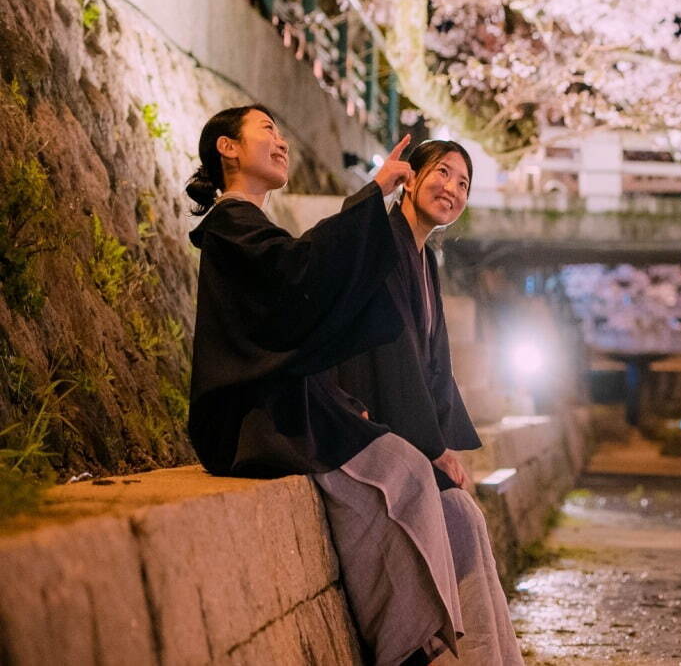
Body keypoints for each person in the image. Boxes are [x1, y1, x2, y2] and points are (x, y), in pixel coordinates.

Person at [184, 106, 483, 666]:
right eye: (267, 130)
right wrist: (370, 194)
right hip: (255, 418)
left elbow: (307, 304)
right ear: (228, 148)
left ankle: (446, 645)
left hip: (287, 403)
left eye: (464, 181)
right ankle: (415, 647)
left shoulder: (253, 227)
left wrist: (347, 404)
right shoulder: (231, 225)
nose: (282, 141)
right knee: (407, 472)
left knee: (428, 487)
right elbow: (303, 281)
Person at [336, 140, 524, 666]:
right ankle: (453, 652)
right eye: (442, 173)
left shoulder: (425, 261)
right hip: (366, 420)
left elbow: (434, 368)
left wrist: (442, 440)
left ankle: (491, 655)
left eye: (464, 183)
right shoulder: (382, 241)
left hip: (405, 426)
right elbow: (394, 357)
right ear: (410, 180)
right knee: (455, 516)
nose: (453, 189)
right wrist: (435, 446)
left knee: (466, 515)